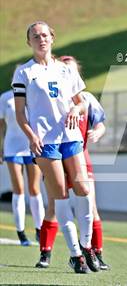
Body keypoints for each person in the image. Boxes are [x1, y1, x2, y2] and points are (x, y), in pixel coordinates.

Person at [12, 21, 99, 274]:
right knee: (59, 196)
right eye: (35, 36)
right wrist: (31, 136)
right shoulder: (24, 73)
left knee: (83, 188)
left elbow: (82, 103)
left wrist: (75, 108)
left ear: (53, 38)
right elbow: (20, 114)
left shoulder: (66, 70)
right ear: (29, 42)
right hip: (44, 142)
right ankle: (75, 255)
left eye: (45, 35)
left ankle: (87, 246)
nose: (41, 39)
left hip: (70, 137)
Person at [34, 55, 109, 270]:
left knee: (91, 204)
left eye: (70, 69)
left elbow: (101, 123)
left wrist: (98, 133)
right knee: (54, 204)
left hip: (79, 156)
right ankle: (45, 253)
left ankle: (96, 253)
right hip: (55, 153)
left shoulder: (86, 99)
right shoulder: (49, 96)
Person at [0, 88, 44, 246]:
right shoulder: (5, 97)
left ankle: (40, 230)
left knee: (34, 188)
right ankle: (21, 232)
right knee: (18, 189)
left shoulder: (35, 95)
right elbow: (1, 126)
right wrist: (0, 147)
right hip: (12, 147)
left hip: (32, 146)